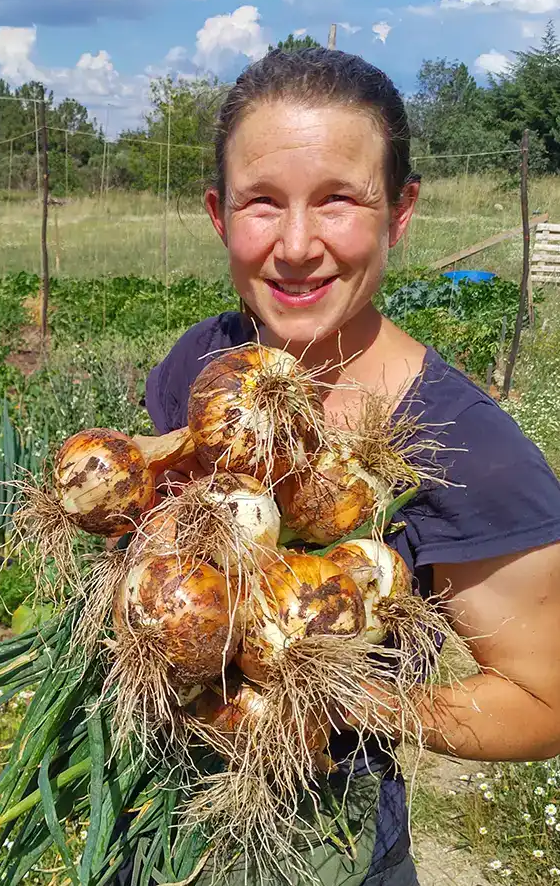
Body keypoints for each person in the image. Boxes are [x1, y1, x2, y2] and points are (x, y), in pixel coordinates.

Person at [142, 48, 560, 885]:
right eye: (264, 203)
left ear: (399, 213)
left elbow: (544, 704)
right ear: (219, 214)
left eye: (338, 199)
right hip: (148, 823)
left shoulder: (464, 445)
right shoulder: (202, 365)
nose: (297, 246)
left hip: (321, 847)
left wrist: (335, 694)